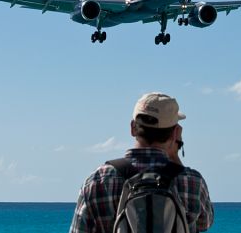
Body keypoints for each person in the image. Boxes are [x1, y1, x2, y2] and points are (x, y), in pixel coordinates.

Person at [70, 92, 214, 233]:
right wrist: (175, 159)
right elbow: (204, 223)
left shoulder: (97, 180)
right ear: (175, 133)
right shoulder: (193, 182)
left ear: (133, 128)